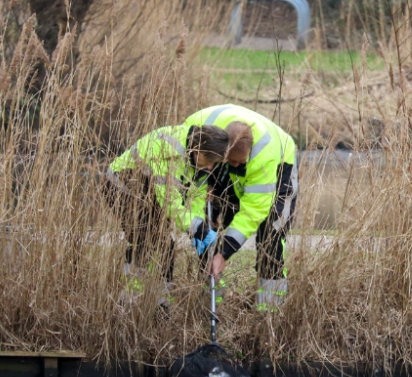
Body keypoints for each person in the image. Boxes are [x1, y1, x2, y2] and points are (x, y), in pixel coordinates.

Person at [184, 104, 297, 311]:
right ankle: (211, 305)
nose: (235, 166)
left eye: (239, 162)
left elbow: (253, 212)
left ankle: (270, 311)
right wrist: (203, 189)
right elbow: (190, 179)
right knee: (206, 229)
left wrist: (224, 253)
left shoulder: (264, 156)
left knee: (271, 237)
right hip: (216, 155)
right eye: (231, 162)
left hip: (280, 167)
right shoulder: (199, 132)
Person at [105, 123, 227, 303]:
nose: (210, 167)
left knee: (165, 247)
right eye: (209, 161)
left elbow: (195, 198)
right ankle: (129, 300)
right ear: (198, 151)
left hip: (149, 190)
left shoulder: (195, 155)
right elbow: (170, 202)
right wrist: (196, 227)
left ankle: (162, 302)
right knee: (146, 242)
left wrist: (199, 222)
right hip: (123, 187)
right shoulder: (170, 152)